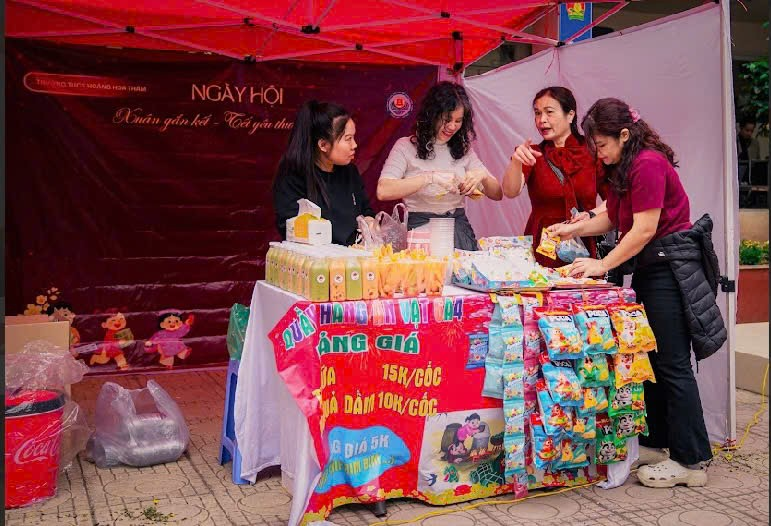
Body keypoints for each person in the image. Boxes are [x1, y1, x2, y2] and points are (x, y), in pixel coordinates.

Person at [549, 98, 727, 488]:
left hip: (670, 269)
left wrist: (602, 264)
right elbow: (612, 216)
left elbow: (643, 229)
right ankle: (661, 441)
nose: (599, 152)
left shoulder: (647, 163)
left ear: (624, 135)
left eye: (601, 144)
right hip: (653, 268)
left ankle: (691, 461)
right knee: (652, 359)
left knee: (673, 363)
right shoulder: (626, 166)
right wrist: (573, 229)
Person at [376, 81, 502, 250]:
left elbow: (497, 193)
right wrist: (430, 177)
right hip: (419, 230)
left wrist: (482, 175)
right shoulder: (405, 146)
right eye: (446, 119)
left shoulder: (463, 149)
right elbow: (383, 191)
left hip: (456, 229)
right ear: (432, 114)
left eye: (458, 121)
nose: (452, 127)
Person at [502, 86, 607, 268]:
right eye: (537, 113)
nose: (541, 120)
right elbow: (510, 191)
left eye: (549, 112)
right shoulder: (533, 153)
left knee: (583, 294)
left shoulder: (593, 152)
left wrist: (591, 215)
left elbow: (614, 199)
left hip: (585, 240)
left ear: (570, 115)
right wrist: (516, 161)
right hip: (543, 244)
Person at [273, 100, 375, 246]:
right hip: (314, 262)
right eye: (348, 139)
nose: (355, 145)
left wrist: (370, 221)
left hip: (353, 260)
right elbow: (290, 226)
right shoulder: (293, 175)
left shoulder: (350, 172)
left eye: (354, 137)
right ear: (323, 145)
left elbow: (366, 210)